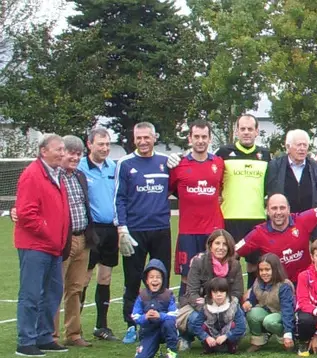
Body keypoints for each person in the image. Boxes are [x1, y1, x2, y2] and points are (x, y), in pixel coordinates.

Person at [114, 122, 172, 344]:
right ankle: (132, 325)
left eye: (147, 137)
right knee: (132, 279)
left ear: (154, 137)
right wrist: (122, 228)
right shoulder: (125, 164)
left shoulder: (165, 162)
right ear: (134, 139)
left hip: (161, 229)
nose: (143, 142)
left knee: (162, 278)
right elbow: (119, 198)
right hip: (135, 231)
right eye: (139, 138)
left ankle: (163, 323)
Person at [14, 134, 70, 357]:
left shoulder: (57, 175)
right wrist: (48, 231)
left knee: (52, 293)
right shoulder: (32, 175)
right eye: (58, 149)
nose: (62, 153)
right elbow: (27, 213)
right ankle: (25, 341)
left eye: (63, 149)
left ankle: (45, 336)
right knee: (31, 294)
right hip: (35, 246)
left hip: (53, 246)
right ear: (43, 151)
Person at [169, 120, 224, 297]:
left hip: (213, 231)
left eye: (204, 137)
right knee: (188, 275)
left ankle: (214, 319)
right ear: (190, 138)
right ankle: (185, 318)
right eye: (197, 137)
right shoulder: (179, 165)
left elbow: (222, 190)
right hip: (188, 231)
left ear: (209, 139)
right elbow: (168, 191)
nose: (200, 140)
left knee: (215, 274)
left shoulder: (219, 163)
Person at [215, 114, 271, 289]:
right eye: (242, 129)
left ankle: (253, 299)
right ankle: (230, 297)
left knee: (255, 263)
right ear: (236, 131)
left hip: (257, 218)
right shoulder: (223, 153)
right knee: (230, 261)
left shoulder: (265, 155)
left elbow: (270, 186)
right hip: (230, 217)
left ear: (257, 132)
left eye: (250, 129)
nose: (246, 132)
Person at [235, 193, 317, 284]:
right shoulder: (258, 233)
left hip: (305, 283)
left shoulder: (302, 220)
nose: (279, 212)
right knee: (247, 298)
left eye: (282, 208)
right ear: (267, 211)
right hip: (277, 286)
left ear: (288, 209)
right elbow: (234, 251)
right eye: (274, 208)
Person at [77, 127, 120, 341]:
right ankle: (74, 327)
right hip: (91, 230)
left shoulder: (113, 167)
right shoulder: (80, 167)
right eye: (100, 144)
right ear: (89, 144)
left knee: (105, 277)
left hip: (111, 230)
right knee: (83, 278)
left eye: (107, 144)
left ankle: (101, 326)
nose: (104, 148)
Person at [56, 136, 99, 347]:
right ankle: (51, 335)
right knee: (55, 288)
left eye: (78, 154)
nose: (74, 157)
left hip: (83, 238)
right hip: (63, 240)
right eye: (70, 153)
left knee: (75, 288)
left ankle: (73, 334)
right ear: (62, 153)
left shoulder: (80, 176)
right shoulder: (55, 177)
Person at [180, 230, 244, 350]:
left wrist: (226, 307)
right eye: (217, 243)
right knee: (195, 319)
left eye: (225, 244)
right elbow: (191, 293)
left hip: (226, 305)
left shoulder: (235, 265)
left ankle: (226, 340)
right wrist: (208, 309)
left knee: (240, 319)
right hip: (202, 305)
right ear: (210, 245)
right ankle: (186, 337)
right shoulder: (198, 262)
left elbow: (237, 292)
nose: (221, 247)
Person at [265, 129, 317, 226]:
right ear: (288, 147)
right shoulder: (275, 166)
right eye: (298, 145)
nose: (302, 148)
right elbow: (269, 191)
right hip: (283, 223)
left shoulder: (315, 167)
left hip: (309, 223)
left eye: (305, 145)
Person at [243, 253, 296, 352]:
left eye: (267, 270)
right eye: (261, 270)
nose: (264, 273)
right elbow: (253, 298)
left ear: (275, 269)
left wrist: (288, 333)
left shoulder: (284, 285)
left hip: (281, 314)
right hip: (266, 310)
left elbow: (287, 310)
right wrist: (248, 303)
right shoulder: (258, 282)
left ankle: (284, 338)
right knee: (252, 313)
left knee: (269, 321)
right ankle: (258, 341)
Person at [131, 259, 179, 358]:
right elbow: (135, 315)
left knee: (169, 323)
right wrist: (145, 317)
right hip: (149, 330)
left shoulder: (168, 295)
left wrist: (160, 316)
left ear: (163, 279)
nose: (155, 280)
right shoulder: (142, 295)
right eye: (151, 277)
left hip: (164, 328)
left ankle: (172, 350)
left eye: (158, 277)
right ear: (146, 280)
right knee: (141, 357)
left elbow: (174, 314)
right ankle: (153, 348)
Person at [190, 277, 247, 354]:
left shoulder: (234, 305)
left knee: (234, 325)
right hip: (212, 334)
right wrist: (206, 337)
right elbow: (196, 326)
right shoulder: (206, 306)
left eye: (222, 291)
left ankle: (232, 346)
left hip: (228, 334)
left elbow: (242, 327)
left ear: (227, 292)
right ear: (210, 293)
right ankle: (209, 348)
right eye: (215, 292)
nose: (219, 294)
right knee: (203, 326)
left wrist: (226, 336)